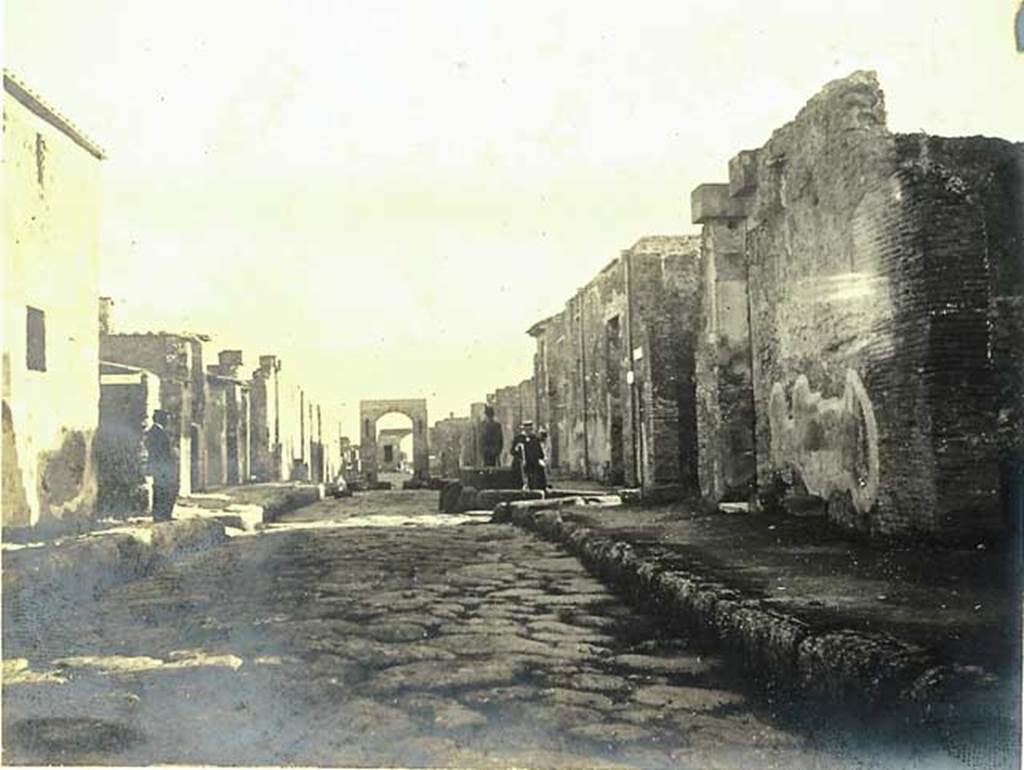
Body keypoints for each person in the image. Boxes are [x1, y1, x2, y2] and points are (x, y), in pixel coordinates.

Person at [144, 409, 179, 522]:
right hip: (162, 467)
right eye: (166, 419)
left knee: (162, 490)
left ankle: (162, 515)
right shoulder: (157, 433)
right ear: (161, 419)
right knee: (164, 490)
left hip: (160, 467)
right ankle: (161, 515)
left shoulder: (156, 431)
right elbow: (159, 452)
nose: (168, 421)